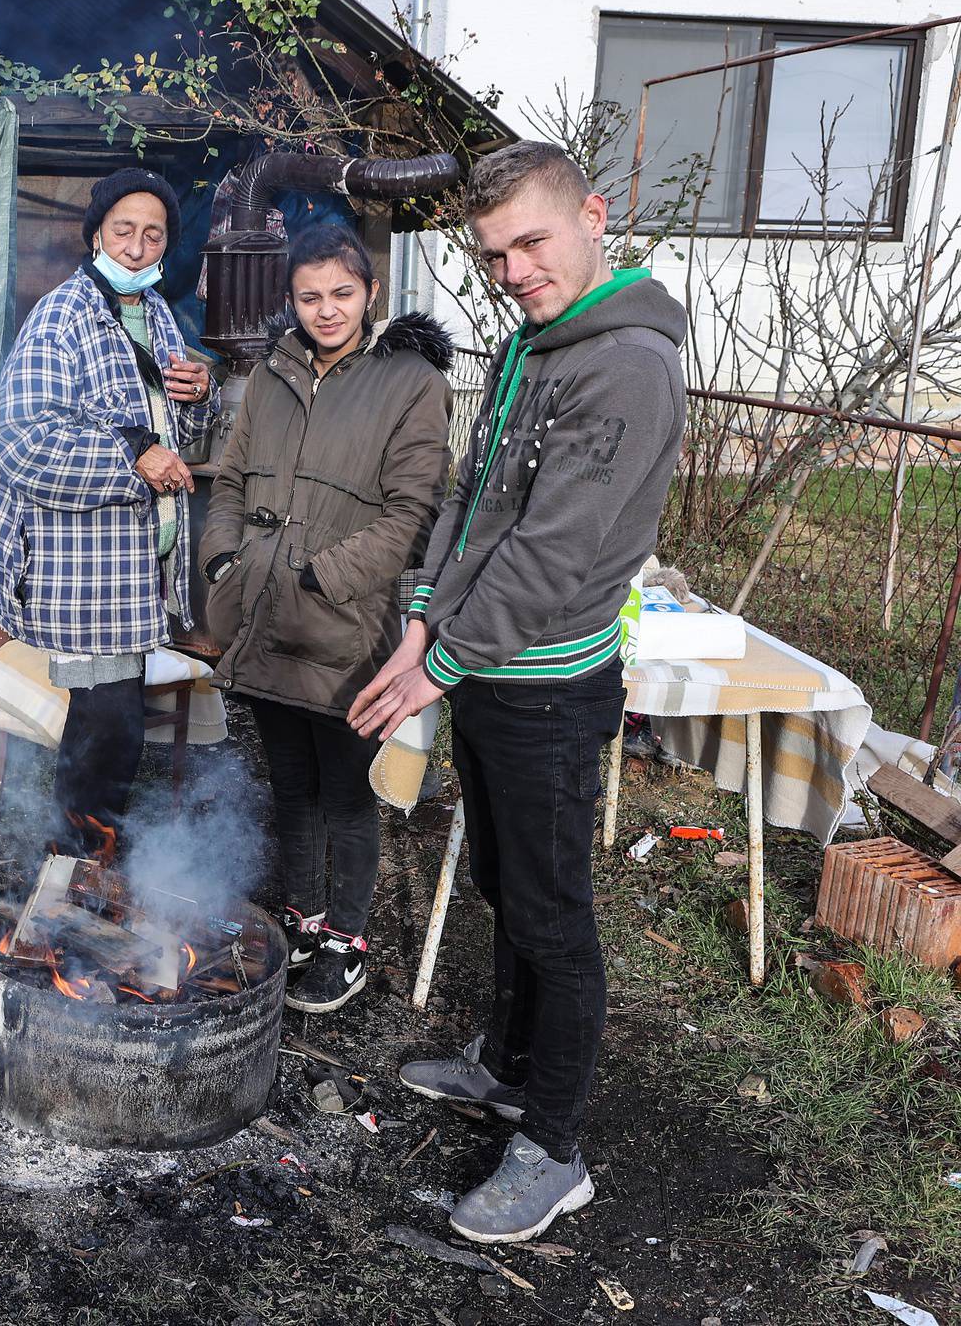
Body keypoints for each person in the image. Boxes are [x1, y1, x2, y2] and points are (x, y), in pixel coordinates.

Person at [348, 141, 688, 1244]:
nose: (513, 269)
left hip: (545, 686)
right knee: (499, 875)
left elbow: (547, 557)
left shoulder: (625, 365)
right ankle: (507, 1066)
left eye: (531, 242)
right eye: (494, 254)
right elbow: (470, 492)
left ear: (593, 216)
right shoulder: (534, 344)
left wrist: (432, 666)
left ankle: (555, 1147)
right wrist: (418, 618)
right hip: (486, 671)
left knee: (554, 915)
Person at [199, 224, 451, 1015]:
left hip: (345, 622)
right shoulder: (273, 375)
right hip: (264, 614)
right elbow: (232, 479)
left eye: (342, 293)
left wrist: (324, 574)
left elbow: (416, 511)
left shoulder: (409, 381)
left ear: (371, 292)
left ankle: (348, 936)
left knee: (345, 790)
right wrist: (221, 561)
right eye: (309, 296)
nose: (326, 310)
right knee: (290, 782)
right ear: (292, 299)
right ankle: (304, 916)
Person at [0, 169, 216, 851]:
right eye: (124, 231)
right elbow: (22, 442)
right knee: (105, 738)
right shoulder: (62, 316)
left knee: (113, 733)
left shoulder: (160, 317)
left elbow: (181, 443)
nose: (139, 247)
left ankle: (84, 873)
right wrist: (130, 458)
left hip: (140, 575)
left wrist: (201, 397)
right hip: (84, 577)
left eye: (154, 234)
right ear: (94, 236)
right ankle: (74, 874)